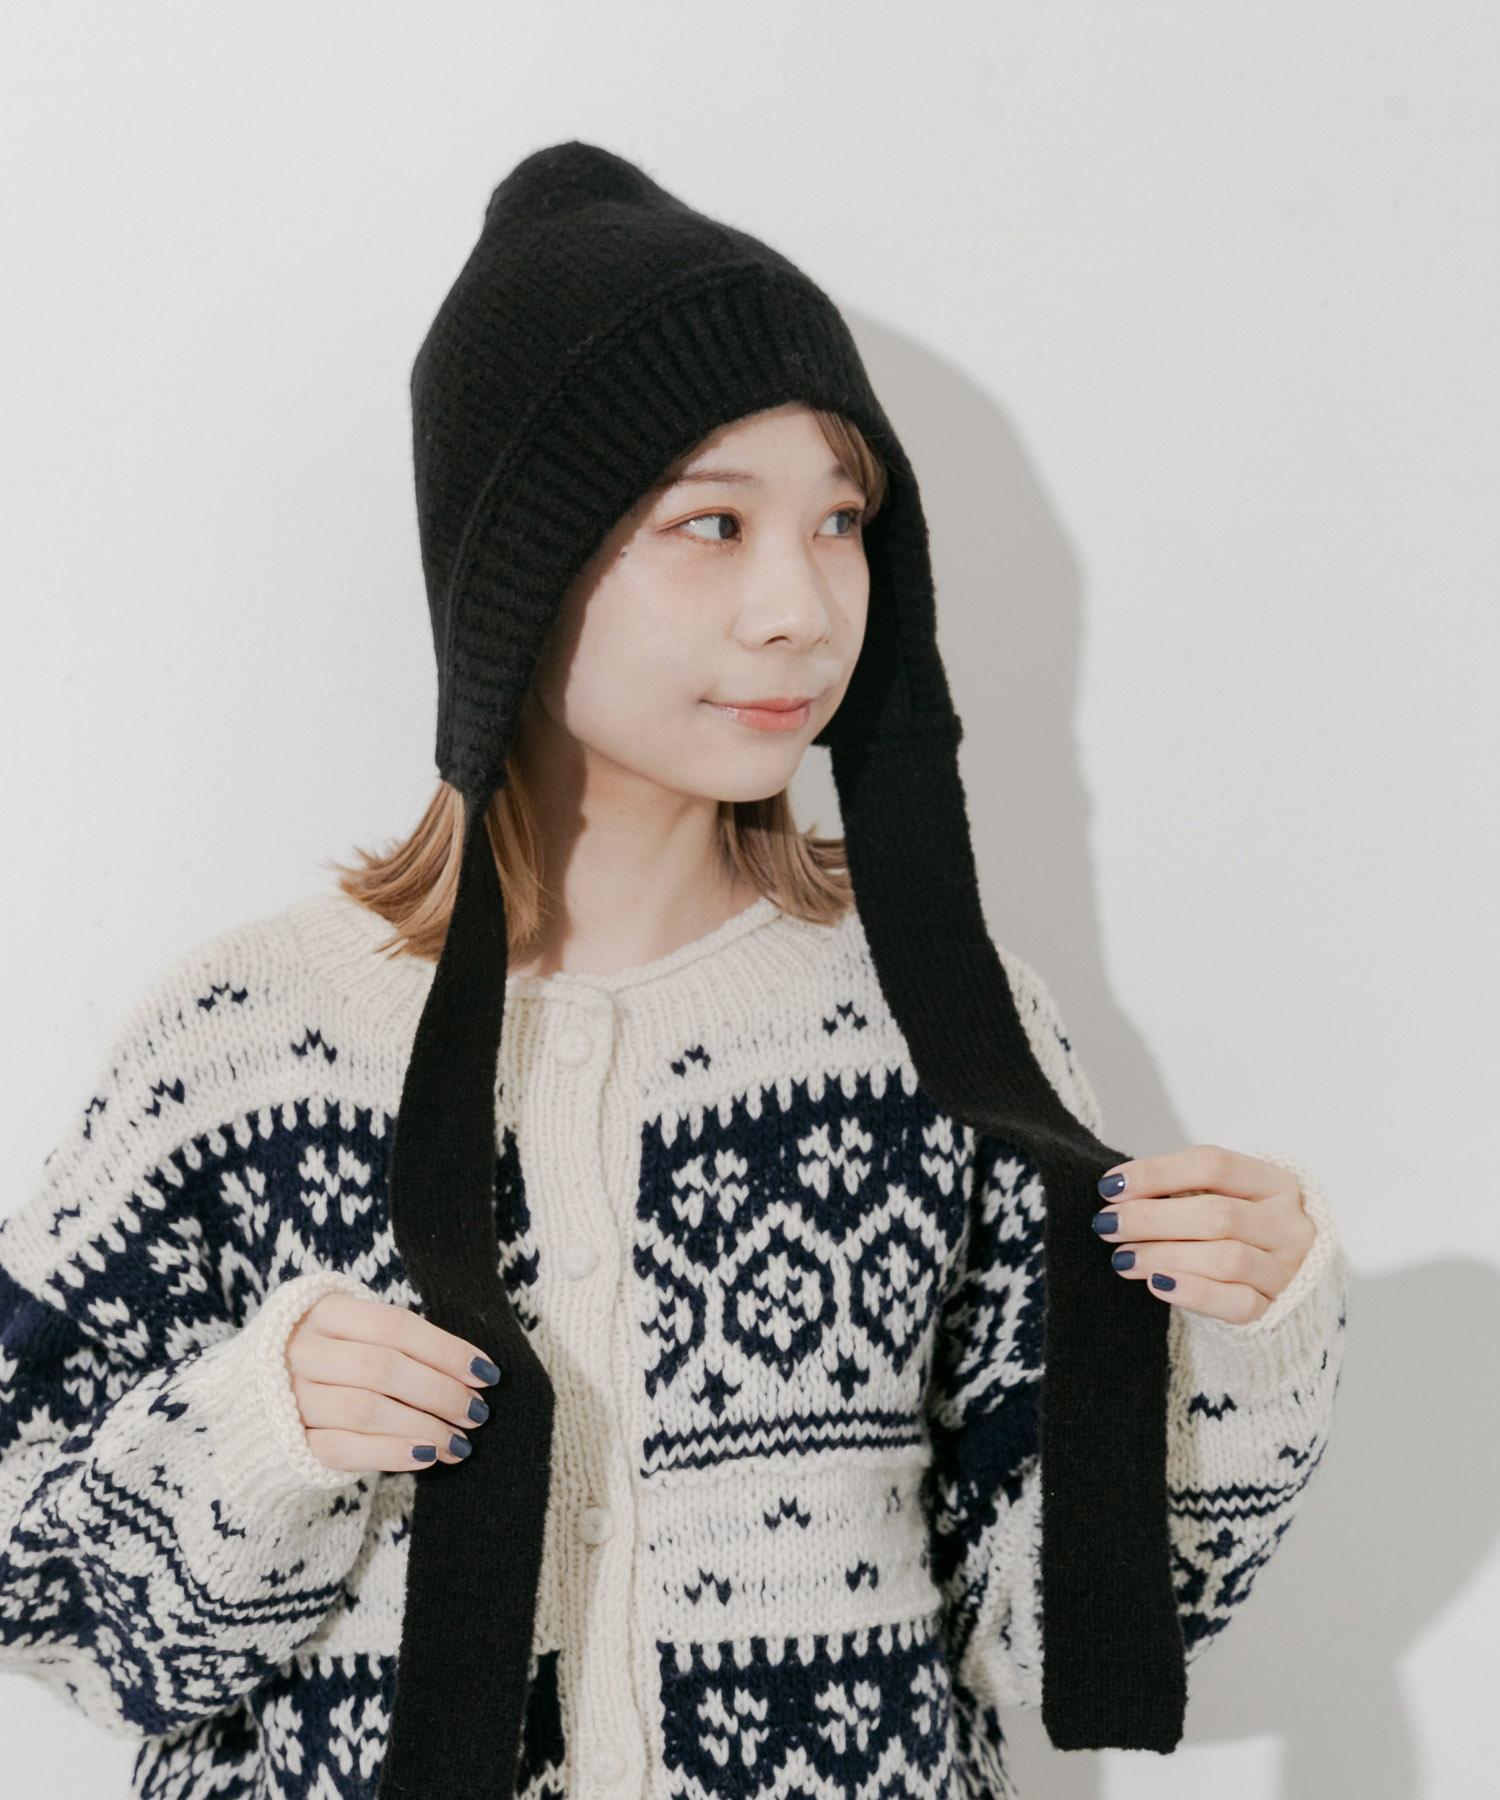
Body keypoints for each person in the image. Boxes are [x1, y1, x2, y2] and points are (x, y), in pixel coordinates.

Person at [0, 143, 1350, 1800]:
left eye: (841, 521)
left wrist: (1243, 1351)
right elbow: (42, 1604)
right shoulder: (249, 1044)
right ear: (516, 572)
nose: (801, 607)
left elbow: (1067, 1640)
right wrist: (254, 1436)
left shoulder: (940, 1030)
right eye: (711, 523)